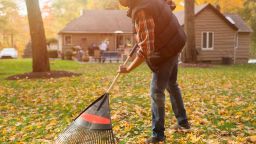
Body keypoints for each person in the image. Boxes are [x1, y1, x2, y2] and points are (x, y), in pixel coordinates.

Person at [118, 0, 190, 143]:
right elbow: (170, 4)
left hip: (167, 48)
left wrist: (129, 68)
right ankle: (183, 123)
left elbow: (146, 48)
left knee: (156, 91)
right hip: (175, 41)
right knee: (171, 84)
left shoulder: (141, 10)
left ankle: (158, 135)